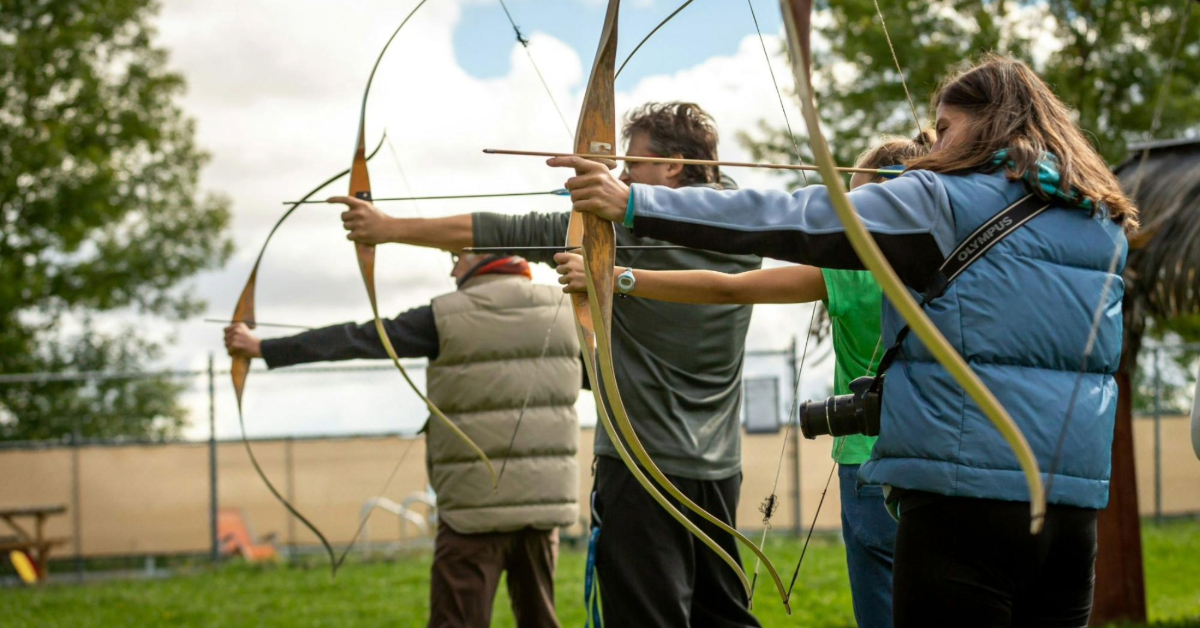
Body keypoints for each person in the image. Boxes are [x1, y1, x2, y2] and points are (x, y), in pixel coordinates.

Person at [551, 55, 1136, 627]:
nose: (933, 145)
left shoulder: (940, 198)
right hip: (1070, 510)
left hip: (962, 503)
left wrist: (633, 202)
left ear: (987, 122)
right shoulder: (1099, 219)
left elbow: (795, 215)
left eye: (946, 128)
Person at [335, 102, 766, 627]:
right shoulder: (746, 228)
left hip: (640, 466)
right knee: (723, 615)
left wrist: (386, 226)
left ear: (674, 165)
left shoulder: (618, 234)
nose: (623, 177)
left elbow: (503, 229)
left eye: (633, 165)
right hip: (720, 469)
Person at [555, 133, 931, 628]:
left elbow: (727, 288)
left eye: (859, 201)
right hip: (945, 462)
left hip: (868, 465)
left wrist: (616, 276)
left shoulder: (852, 268)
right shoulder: (962, 261)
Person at [224, 252, 580, 628]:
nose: (452, 267)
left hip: (472, 509)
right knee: (541, 619)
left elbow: (357, 339)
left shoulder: (445, 315)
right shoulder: (564, 312)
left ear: (482, 255)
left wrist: (263, 347)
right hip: (543, 509)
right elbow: (597, 379)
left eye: (458, 256)